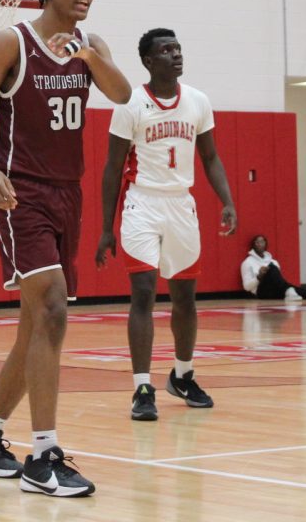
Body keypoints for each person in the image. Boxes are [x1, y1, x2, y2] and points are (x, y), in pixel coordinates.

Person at [0, 0, 131, 498]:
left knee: (36, 324)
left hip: (67, 195)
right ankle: (44, 454)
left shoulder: (89, 44)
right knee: (52, 309)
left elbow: (124, 94)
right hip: (19, 192)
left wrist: (90, 57)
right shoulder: (14, 41)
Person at [95, 28, 237, 422]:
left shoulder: (198, 101)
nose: (175, 55)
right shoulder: (130, 103)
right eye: (166, 50)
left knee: (185, 298)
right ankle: (143, 386)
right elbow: (111, 168)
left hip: (181, 205)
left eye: (178, 48)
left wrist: (226, 199)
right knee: (143, 292)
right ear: (148, 60)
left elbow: (210, 157)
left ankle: (183, 374)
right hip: (142, 202)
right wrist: (106, 227)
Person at [241, 234, 306, 301]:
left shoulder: (273, 261)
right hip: (261, 292)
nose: (260, 244)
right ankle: (289, 290)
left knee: (298, 291)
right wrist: (259, 277)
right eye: (257, 242)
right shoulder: (247, 262)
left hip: (276, 290)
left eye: (262, 241)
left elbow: (279, 281)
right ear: (253, 245)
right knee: (272, 269)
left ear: (266, 244)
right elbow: (247, 287)